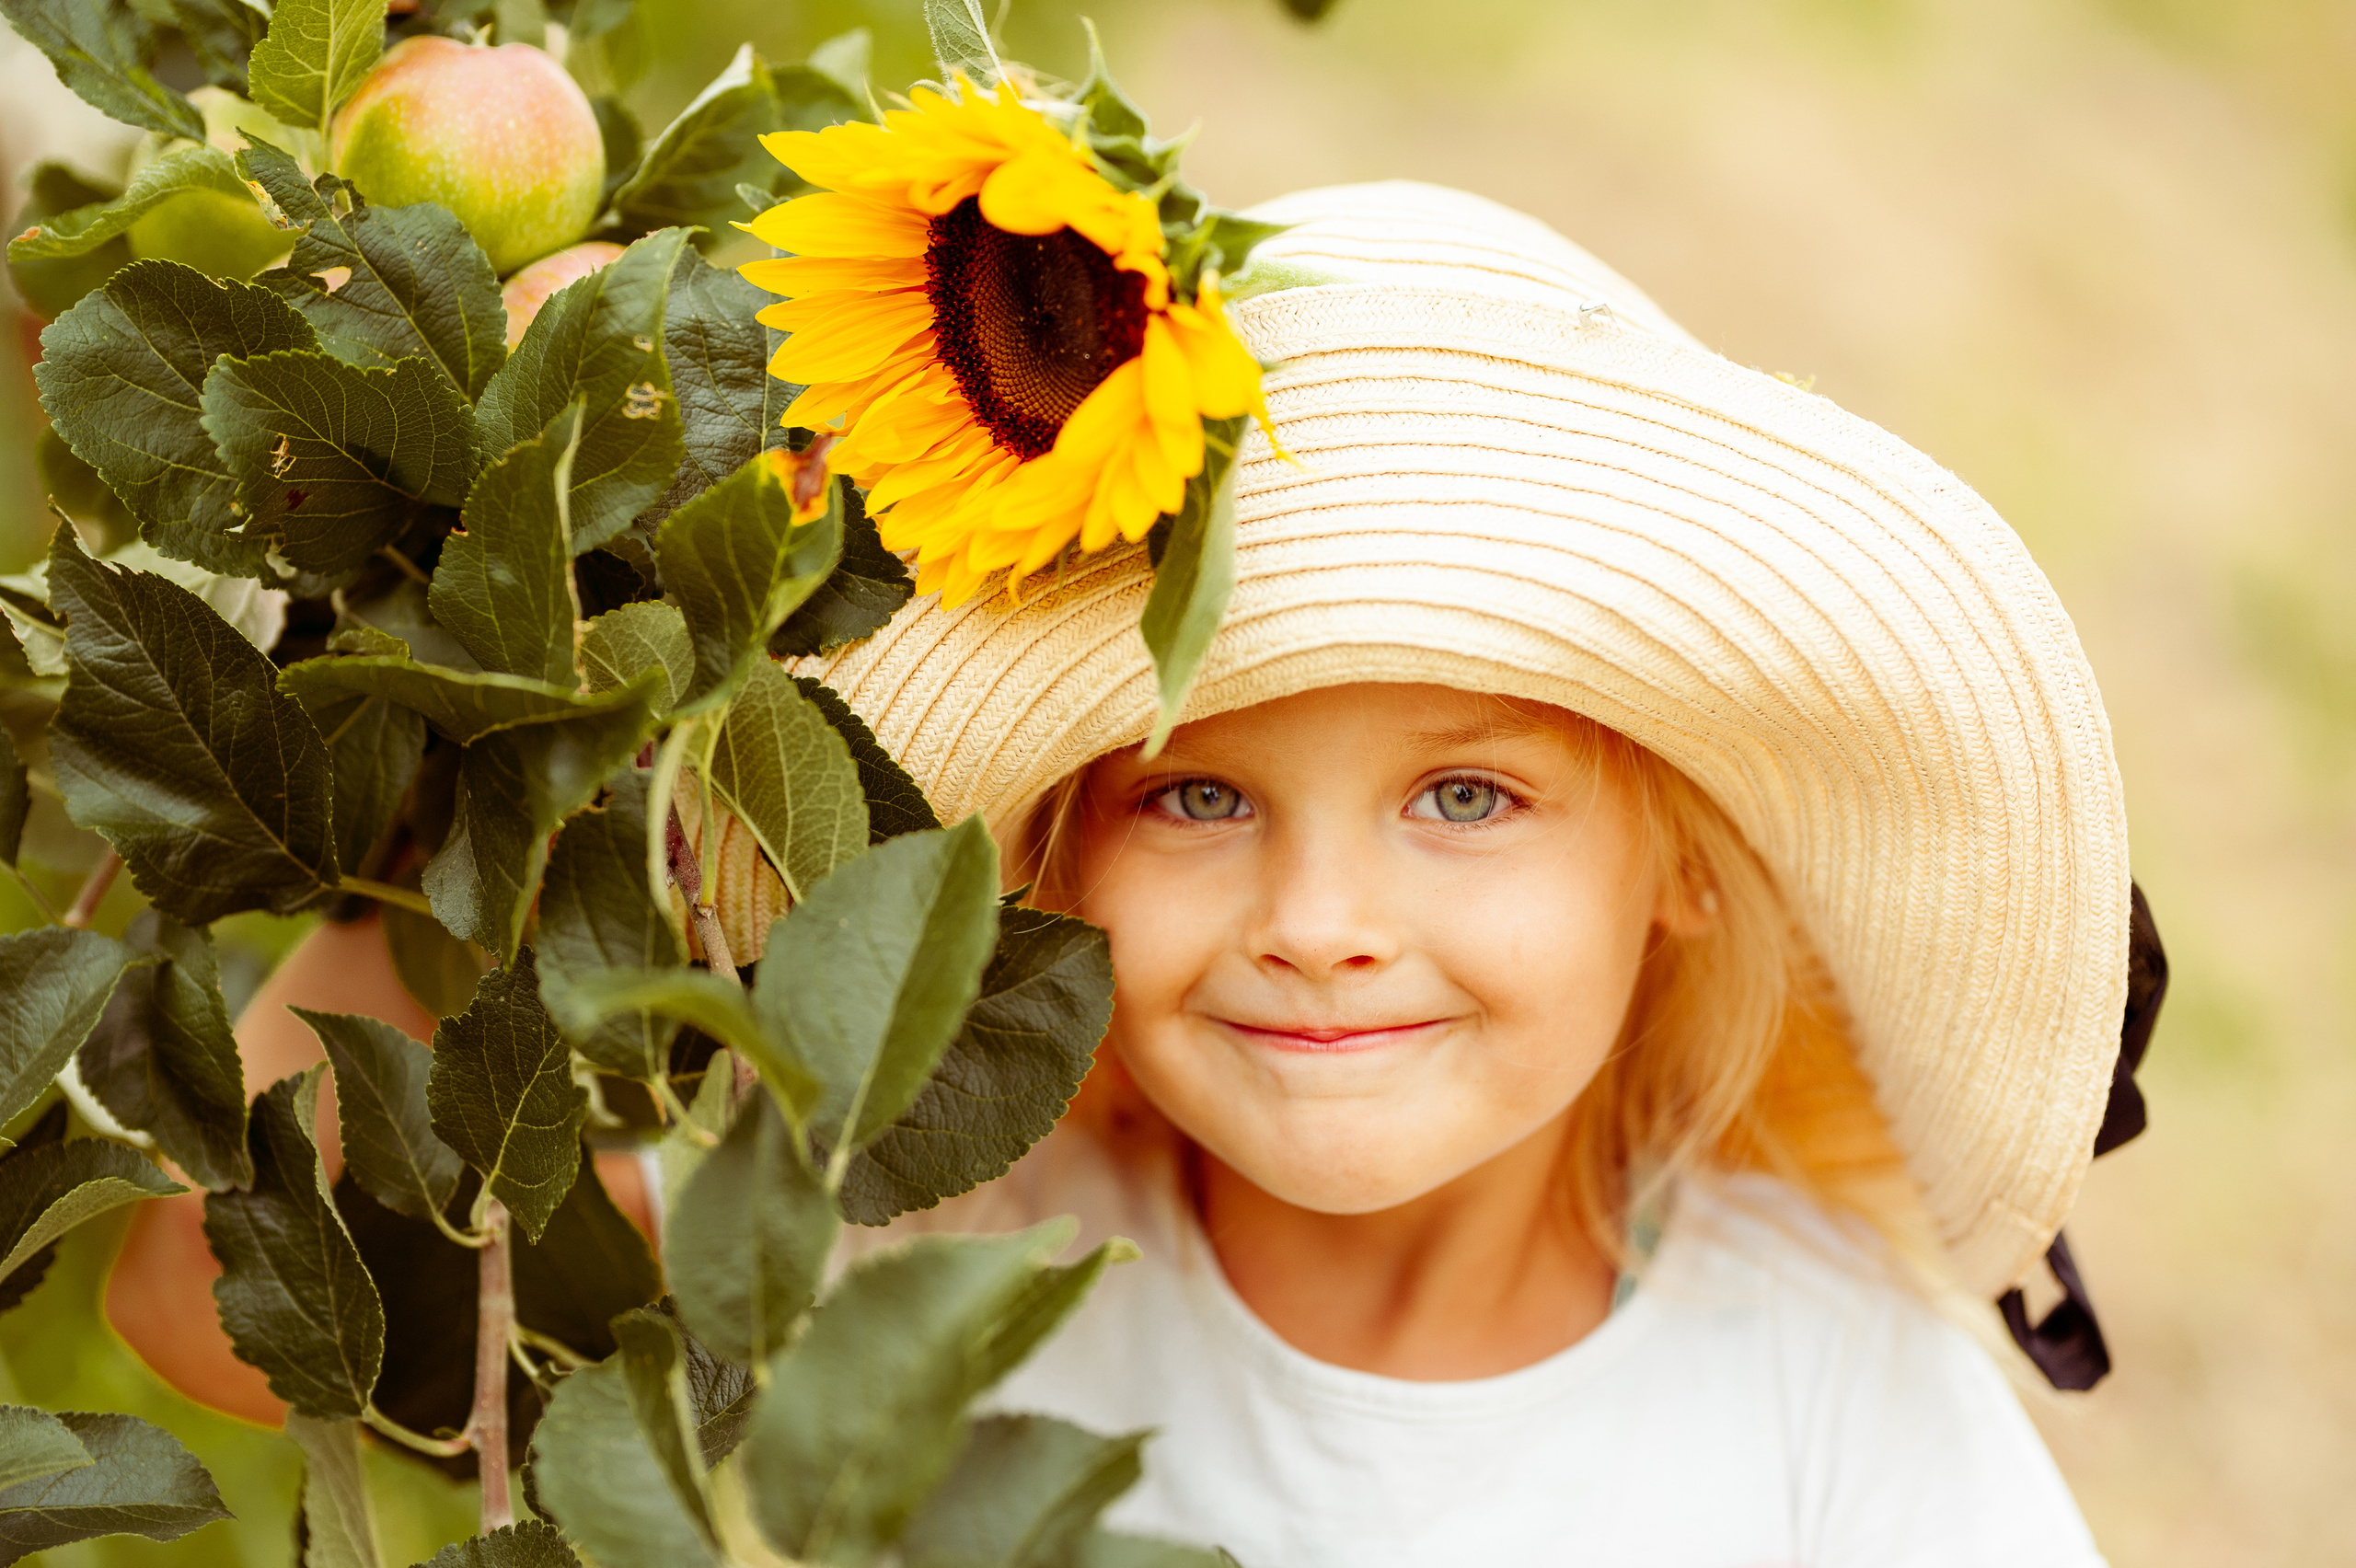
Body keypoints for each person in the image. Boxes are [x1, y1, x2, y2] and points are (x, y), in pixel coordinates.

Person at [112, 180, 2124, 1565]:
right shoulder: (932, 1225)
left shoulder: (1828, 1380)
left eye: (1466, 801)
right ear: (1053, 855)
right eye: (1196, 800)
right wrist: (451, 773)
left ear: (1675, 868)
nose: (1320, 923)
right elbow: (212, 1313)